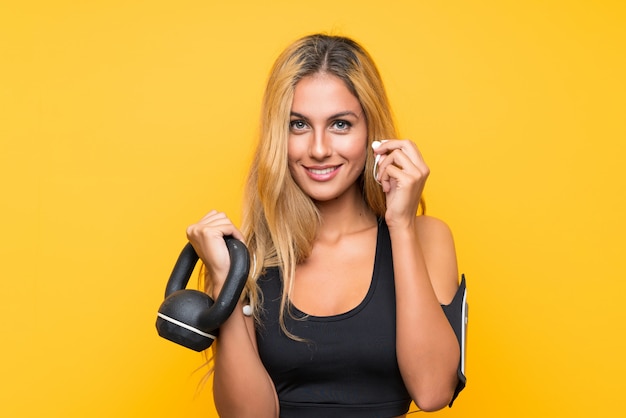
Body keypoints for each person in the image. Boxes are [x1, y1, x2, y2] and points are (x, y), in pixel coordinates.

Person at [186, 33, 464, 418]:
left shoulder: (427, 237)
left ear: (372, 133)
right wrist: (225, 281)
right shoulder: (247, 255)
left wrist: (400, 223)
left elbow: (433, 391)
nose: (318, 148)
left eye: (340, 124)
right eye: (298, 124)